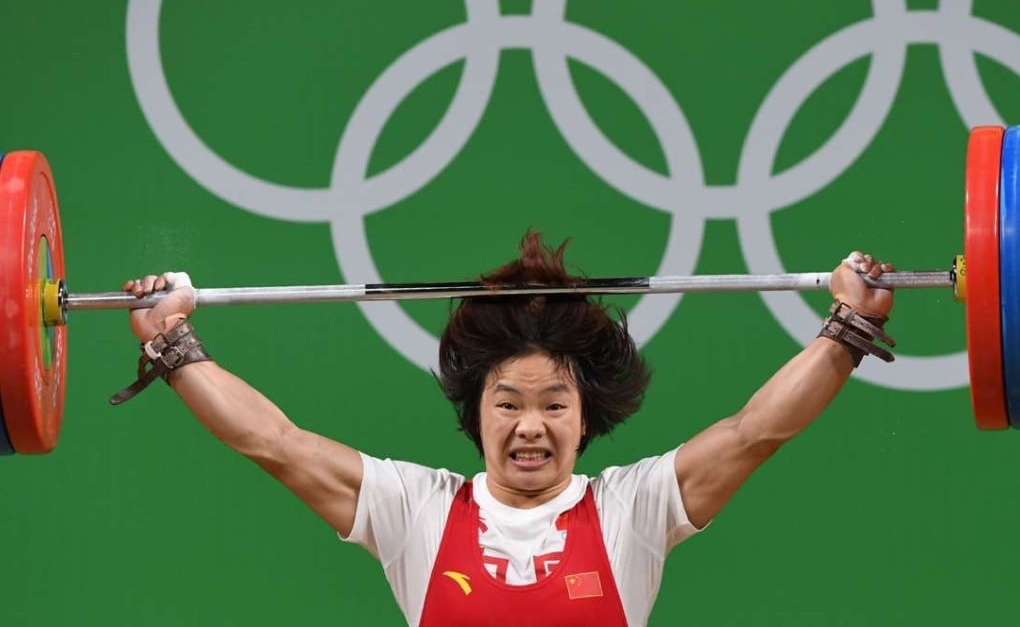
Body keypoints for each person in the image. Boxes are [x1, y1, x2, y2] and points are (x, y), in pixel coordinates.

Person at [121, 233, 896, 626]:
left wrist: (848, 327)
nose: (531, 427)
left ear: (585, 417)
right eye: (508, 404)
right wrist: (172, 342)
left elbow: (755, 431)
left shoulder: (631, 509)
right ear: (476, 413)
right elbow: (274, 442)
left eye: (554, 405)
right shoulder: (416, 511)